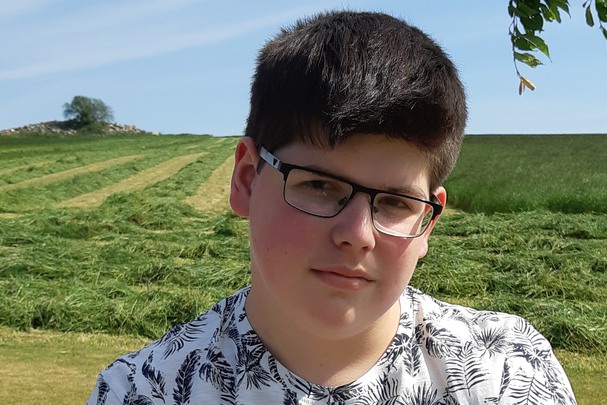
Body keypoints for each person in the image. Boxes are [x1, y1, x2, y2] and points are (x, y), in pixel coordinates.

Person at [88, 10, 576, 404]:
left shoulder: (506, 374)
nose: (357, 234)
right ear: (246, 179)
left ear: (428, 222)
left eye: (396, 202)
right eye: (319, 185)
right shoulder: (146, 391)